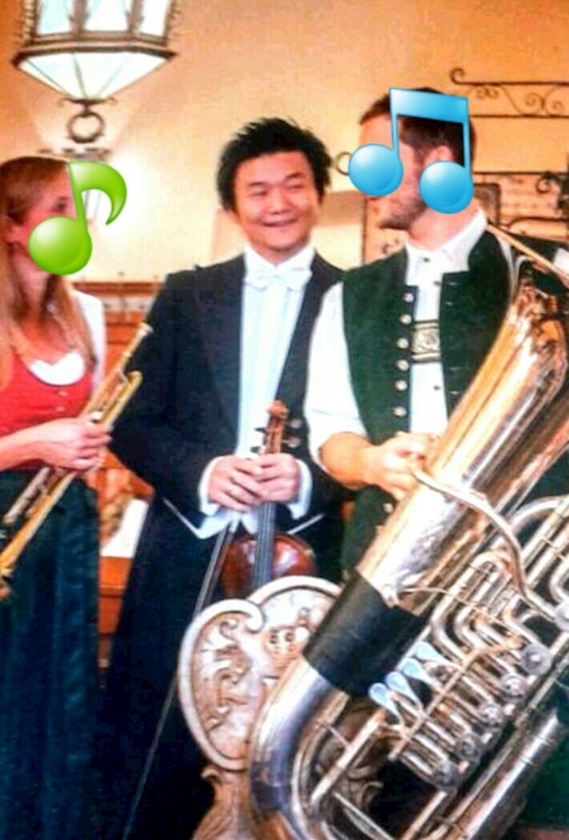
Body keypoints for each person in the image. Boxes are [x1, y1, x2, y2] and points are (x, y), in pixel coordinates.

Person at [305, 90, 568, 840]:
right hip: (390, 581)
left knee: (543, 796)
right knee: (386, 791)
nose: (362, 175)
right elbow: (329, 435)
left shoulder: (551, 270)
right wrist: (371, 461)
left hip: (524, 584)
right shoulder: (349, 296)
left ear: (440, 160)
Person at [97, 117, 346, 840]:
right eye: (257, 190)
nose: (277, 204)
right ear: (232, 208)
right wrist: (203, 472)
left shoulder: (355, 295)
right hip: (185, 548)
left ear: (318, 194)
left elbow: (373, 433)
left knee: (291, 736)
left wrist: (306, 478)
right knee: (159, 735)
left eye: (293, 185)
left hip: (303, 557)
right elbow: (132, 421)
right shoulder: (186, 293)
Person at [0, 156, 109, 840]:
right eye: (58, 209)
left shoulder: (84, 315)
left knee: (60, 695)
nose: (76, 222)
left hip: (65, 531)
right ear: (13, 229)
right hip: (5, 529)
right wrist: (35, 443)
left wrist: (86, 450)